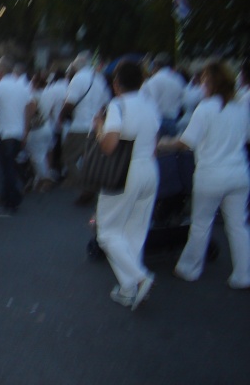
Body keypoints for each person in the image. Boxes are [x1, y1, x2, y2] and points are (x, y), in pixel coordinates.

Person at [158, 61, 250, 289]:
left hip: (211, 175)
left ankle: (189, 268)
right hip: (239, 173)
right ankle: (243, 274)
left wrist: (161, 143)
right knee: (238, 225)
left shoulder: (205, 108)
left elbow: (186, 142)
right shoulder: (241, 107)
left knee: (201, 223)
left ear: (209, 83)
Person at [93, 60, 159, 310]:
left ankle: (139, 278)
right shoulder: (150, 104)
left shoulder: (117, 105)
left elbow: (109, 145)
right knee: (135, 231)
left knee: (107, 232)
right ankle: (128, 287)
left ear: (116, 84)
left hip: (123, 172)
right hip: (149, 169)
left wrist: (98, 126)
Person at [58, 51, 110, 206]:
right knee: (90, 160)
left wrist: (62, 116)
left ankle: (86, 188)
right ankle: (91, 186)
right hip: (96, 126)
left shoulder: (78, 79)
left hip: (80, 126)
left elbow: (70, 102)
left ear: (76, 67)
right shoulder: (99, 79)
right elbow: (106, 104)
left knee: (68, 157)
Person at [0, 56, 33, 214]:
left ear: (1, 70)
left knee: (6, 167)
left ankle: (11, 199)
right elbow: (30, 107)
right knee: (11, 165)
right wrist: (26, 129)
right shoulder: (23, 86)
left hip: (3, 132)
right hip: (18, 131)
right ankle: (11, 197)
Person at [141, 52, 186, 137]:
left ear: (156, 66)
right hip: (173, 120)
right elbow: (183, 100)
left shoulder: (152, 81)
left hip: (156, 120)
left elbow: (144, 101)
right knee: (171, 148)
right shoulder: (179, 79)